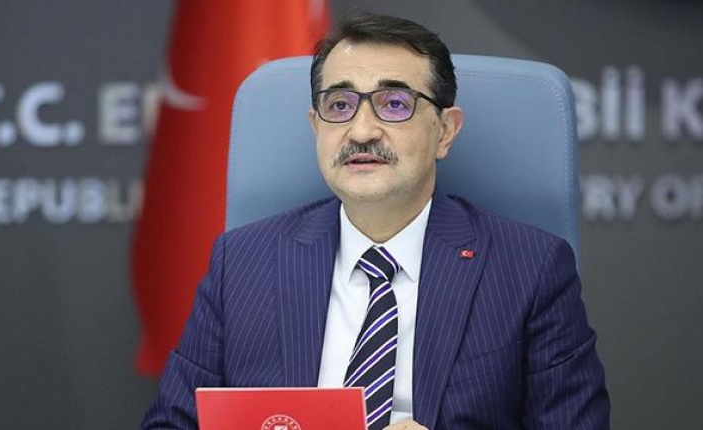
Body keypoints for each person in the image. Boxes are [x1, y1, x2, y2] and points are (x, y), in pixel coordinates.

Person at [142, 13, 610, 430]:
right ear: (316, 127)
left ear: (445, 131)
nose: (362, 131)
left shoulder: (530, 268)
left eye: (394, 103)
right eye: (339, 105)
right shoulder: (243, 264)